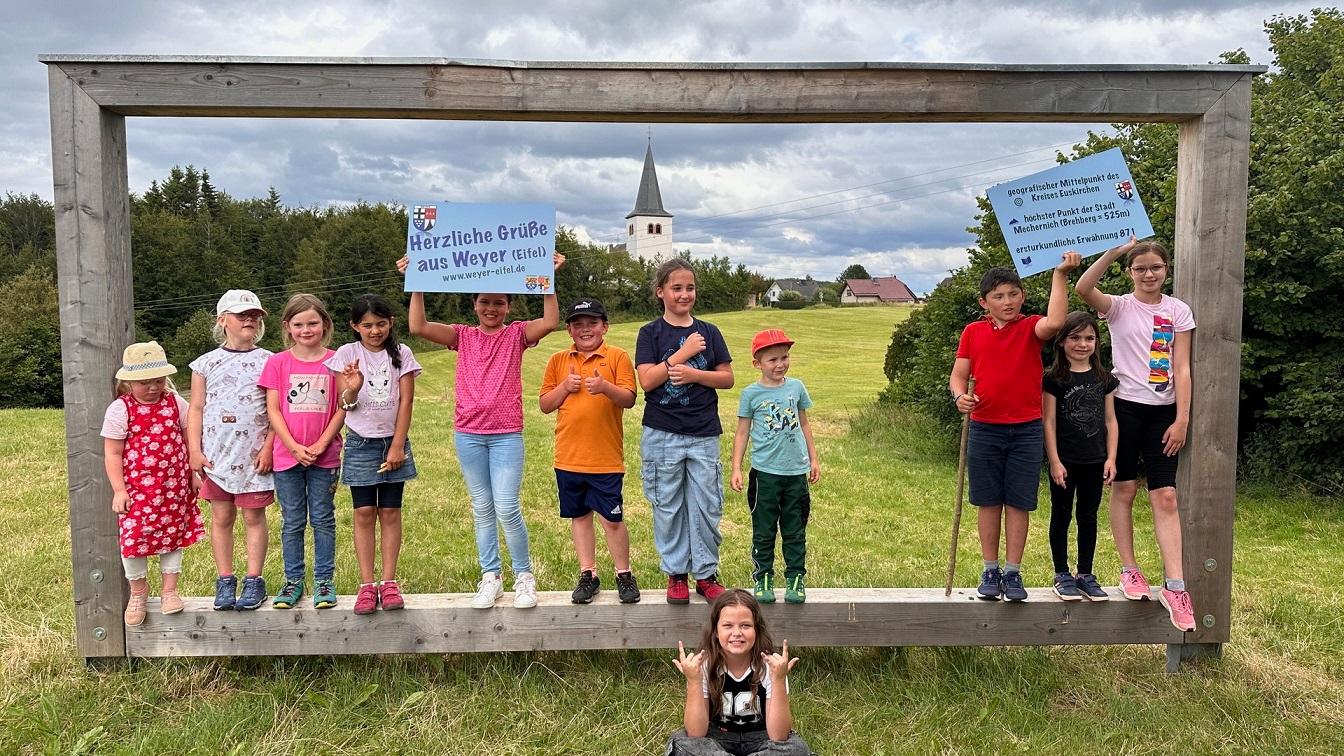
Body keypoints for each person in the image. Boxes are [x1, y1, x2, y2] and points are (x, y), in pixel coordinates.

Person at [399, 252, 566, 609]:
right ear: (474, 305)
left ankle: (524, 576)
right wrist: (416, 283)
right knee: (482, 508)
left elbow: (551, 321)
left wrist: (547, 280)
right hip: (469, 434)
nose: (492, 308)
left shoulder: (518, 334)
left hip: (506, 434)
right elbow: (418, 327)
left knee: (506, 507)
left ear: (508, 306)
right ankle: (490, 576)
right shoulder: (461, 336)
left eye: (499, 303)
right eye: (485, 302)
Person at [1075, 237, 1196, 631]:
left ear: (1166, 270)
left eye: (1155, 267)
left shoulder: (1178, 311)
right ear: (1130, 273)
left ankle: (1175, 586)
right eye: (1140, 268)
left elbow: (1182, 368)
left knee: (1165, 495)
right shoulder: (1119, 308)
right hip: (1123, 409)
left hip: (1164, 416)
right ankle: (1130, 570)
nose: (1148, 274)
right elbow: (1083, 288)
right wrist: (1112, 251)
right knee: (1123, 489)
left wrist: (1182, 419)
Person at [949, 254, 1079, 602]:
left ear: (1022, 296)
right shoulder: (973, 332)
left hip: (1026, 429)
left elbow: (1055, 321)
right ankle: (989, 569)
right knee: (988, 502)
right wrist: (960, 397)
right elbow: (959, 376)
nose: (1007, 302)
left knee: (1019, 503)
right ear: (984, 302)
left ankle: (1013, 572)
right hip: (984, 428)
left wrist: (1060, 274)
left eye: (1012, 294)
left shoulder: (1030, 327)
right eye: (998, 296)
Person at [636, 259, 735, 605]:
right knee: (668, 505)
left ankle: (706, 574)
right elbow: (647, 380)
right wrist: (683, 354)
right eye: (676, 288)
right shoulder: (650, 333)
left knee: (706, 505)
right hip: (662, 433)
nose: (684, 294)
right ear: (660, 292)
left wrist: (696, 375)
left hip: (703, 432)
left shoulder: (709, 331)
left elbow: (727, 378)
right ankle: (676, 573)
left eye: (689, 287)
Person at [539, 297, 642, 604]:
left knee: (612, 519)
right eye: (578, 324)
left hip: (605, 459)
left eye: (592, 323)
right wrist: (564, 388)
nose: (586, 330)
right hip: (568, 457)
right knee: (580, 516)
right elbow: (545, 404)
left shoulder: (617, 356)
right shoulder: (558, 360)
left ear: (605, 327)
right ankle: (589, 574)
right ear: (569, 329)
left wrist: (605, 387)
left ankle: (624, 573)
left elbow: (629, 398)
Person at [326, 293, 421, 615]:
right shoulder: (346, 354)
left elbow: (406, 401)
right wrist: (353, 386)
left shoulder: (402, 354)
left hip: (392, 442)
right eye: (367, 325)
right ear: (355, 326)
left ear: (391, 322)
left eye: (381, 324)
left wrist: (397, 445)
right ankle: (367, 584)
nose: (375, 331)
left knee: (391, 512)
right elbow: (346, 404)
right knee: (364, 513)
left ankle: (389, 581)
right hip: (361, 443)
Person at [101, 341, 204, 626]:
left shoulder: (175, 402)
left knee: (172, 536)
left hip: (173, 486)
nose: (154, 387)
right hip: (138, 489)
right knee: (134, 539)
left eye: (158, 380)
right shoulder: (121, 409)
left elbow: (187, 436)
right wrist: (119, 490)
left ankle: (170, 590)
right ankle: (138, 593)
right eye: (145, 383)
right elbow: (113, 451)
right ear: (129, 382)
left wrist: (193, 475)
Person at [187, 289, 275, 612]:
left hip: (253, 458)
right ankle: (225, 579)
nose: (249, 320)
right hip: (217, 457)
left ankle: (255, 579)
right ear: (223, 320)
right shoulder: (205, 364)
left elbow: (275, 411)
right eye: (242, 315)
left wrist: (269, 447)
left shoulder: (269, 361)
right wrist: (193, 451)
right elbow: (196, 409)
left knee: (254, 515)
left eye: (254, 315)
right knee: (221, 515)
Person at [258, 293, 346, 610]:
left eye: (312, 323)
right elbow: (273, 409)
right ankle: (292, 581)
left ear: (325, 324)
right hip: (286, 457)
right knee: (292, 521)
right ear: (287, 327)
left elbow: (342, 407)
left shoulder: (337, 362)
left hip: (326, 457)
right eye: (298, 324)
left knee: (323, 519)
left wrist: (321, 443)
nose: (306, 330)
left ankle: (324, 582)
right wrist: (294, 447)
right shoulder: (277, 363)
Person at [730, 329, 819, 605]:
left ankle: (795, 578)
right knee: (764, 529)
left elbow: (804, 424)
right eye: (772, 360)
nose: (780, 364)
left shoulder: (796, 388)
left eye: (784, 357)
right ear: (757, 364)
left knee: (795, 529)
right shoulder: (751, 394)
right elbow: (742, 432)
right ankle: (763, 576)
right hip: (765, 475)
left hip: (795, 475)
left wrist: (813, 459)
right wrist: (737, 467)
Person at [668, 589, 812, 756]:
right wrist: (694, 681)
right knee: (680, 744)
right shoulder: (703, 665)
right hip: (717, 738)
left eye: (745, 625)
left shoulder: (771, 666)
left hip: (762, 738)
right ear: (715, 631)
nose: (737, 633)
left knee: (796, 749)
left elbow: (778, 736)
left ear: (757, 630)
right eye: (728, 625)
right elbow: (696, 733)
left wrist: (778, 680)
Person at [1042, 310, 1119, 602]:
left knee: (1088, 517)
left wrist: (1111, 458)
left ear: (1097, 342)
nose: (1082, 344)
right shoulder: (1053, 378)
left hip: (1095, 460)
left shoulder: (1104, 378)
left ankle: (1085, 573)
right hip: (1065, 461)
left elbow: (1111, 421)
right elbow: (1047, 421)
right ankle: (1062, 573)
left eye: (1089, 338)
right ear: (1062, 342)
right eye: (1075, 337)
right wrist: (1055, 461)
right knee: (1061, 515)